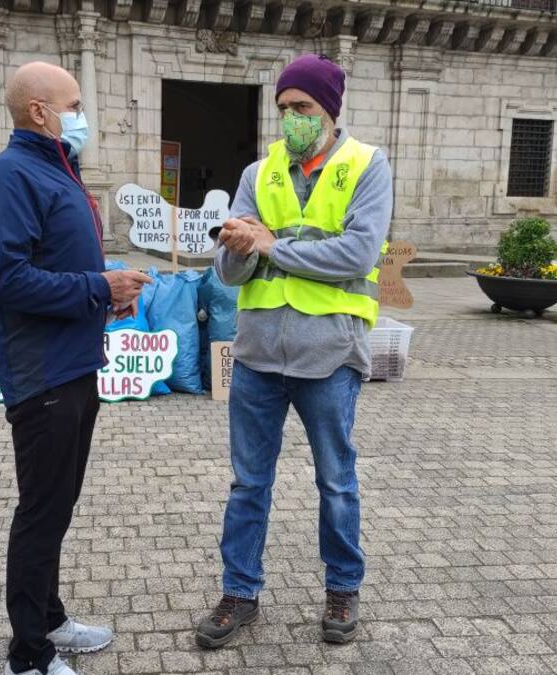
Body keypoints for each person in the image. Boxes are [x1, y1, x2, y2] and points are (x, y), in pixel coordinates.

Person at [194, 54, 393, 649]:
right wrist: (236, 246)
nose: (291, 120)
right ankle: (239, 593)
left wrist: (271, 245)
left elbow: (356, 256)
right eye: (283, 110)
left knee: (336, 481)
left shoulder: (366, 166)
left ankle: (342, 587)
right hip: (256, 355)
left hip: (329, 356)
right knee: (247, 483)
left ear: (329, 110)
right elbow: (231, 273)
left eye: (302, 108)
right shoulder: (260, 173)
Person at [0, 62, 151, 675]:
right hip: (41, 372)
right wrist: (98, 285)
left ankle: (50, 619)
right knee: (41, 512)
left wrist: (108, 295)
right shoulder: (8, 176)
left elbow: (61, 267)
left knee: (60, 504)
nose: (83, 115)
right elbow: (8, 280)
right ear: (40, 111)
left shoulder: (57, 170)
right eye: (74, 104)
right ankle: (28, 656)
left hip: (75, 364)